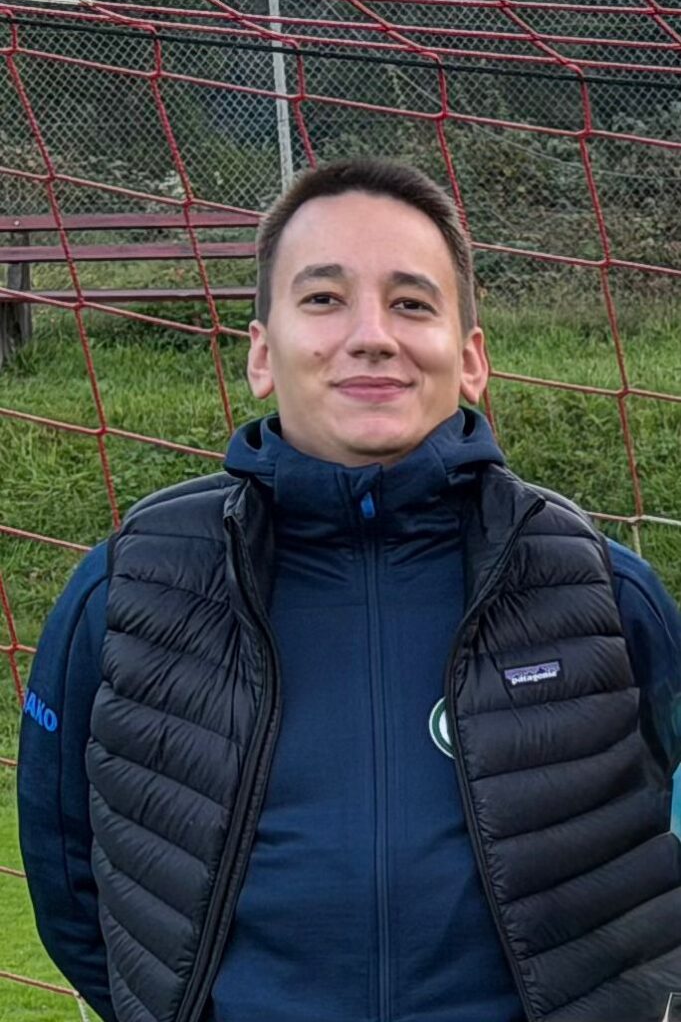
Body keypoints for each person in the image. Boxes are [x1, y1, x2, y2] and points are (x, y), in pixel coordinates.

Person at [17, 158, 681, 1022]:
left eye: (411, 303)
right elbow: (73, 883)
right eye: (324, 298)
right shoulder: (127, 590)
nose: (371, 335)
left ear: (470, 358)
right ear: (262, 353)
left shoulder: (603, 593)